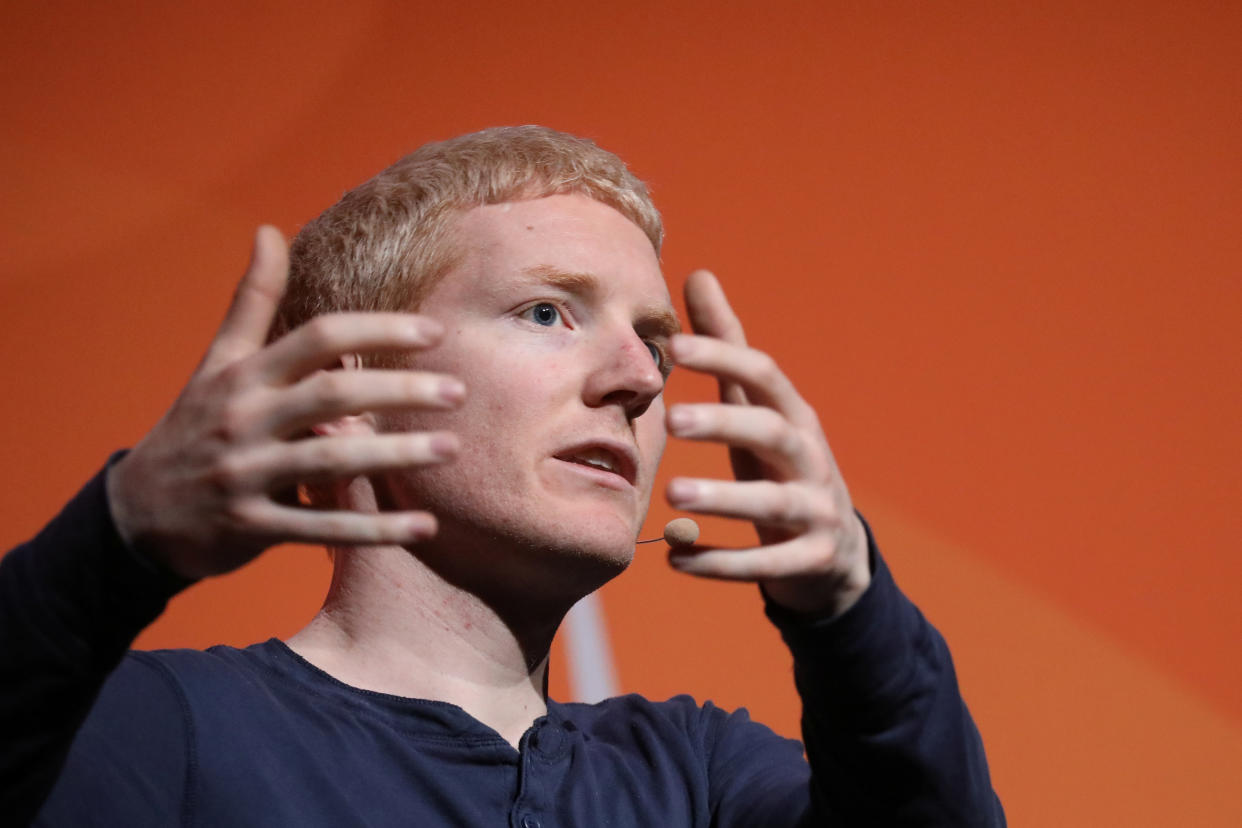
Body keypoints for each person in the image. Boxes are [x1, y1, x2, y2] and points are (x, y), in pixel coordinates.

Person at [2, 126, 1005, 826]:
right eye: (546, 313)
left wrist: (851, 612)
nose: (634, 381)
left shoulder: (697, 779)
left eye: (654, 342)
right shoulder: (164, 731)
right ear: (351, 387)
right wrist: (115, 540)